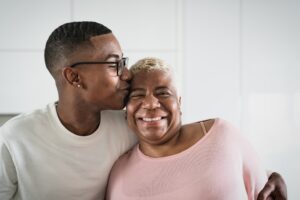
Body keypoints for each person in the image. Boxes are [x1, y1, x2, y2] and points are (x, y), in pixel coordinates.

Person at [0, 22, 286, 200]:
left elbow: (197, 148)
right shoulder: (15, 138)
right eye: (115, 64)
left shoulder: (126, 125)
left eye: (124, 63)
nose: (125, 75)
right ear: (74, 77)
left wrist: (269, 174)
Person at [106, 57, 287, 200]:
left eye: (163, 93)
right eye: (137, 95)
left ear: (180, 103)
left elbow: (265, 189)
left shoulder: (223, 135)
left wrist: (274, 175)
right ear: (126, 111)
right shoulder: (118, 172)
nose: (151, 103)